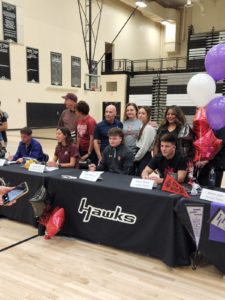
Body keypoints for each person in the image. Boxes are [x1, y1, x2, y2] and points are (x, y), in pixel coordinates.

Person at [134, 106, 156, 176]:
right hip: (139, 154)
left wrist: (135, 158)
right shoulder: (141, 126)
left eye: (143, 113)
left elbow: (144, 147)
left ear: (148, 115)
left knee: (141, 177)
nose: (140, 115)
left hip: (144, 156)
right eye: (139, 113)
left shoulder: (149, 128)